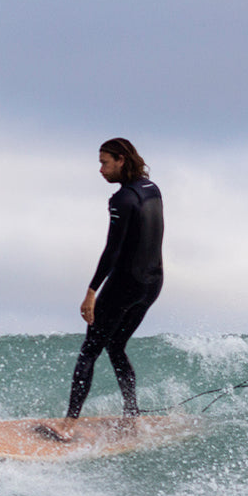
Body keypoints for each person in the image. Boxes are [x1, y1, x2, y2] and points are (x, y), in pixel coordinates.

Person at [39, 138, 163, 442]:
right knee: (116, 345)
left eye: (104, 162)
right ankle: (132, 418)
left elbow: (113, 251)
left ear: (121, 160)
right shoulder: (152, 189)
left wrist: (92, 290)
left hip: (126, 284)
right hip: (153, 282)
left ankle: (68, 426)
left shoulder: (121, 200)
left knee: (88, 353)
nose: (100, 169)